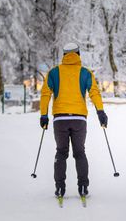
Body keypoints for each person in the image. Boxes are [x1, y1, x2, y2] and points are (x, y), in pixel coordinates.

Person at [39, 42, 108, 198]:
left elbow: (45, 94)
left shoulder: (53, 73)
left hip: (60, 119)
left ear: (64, 55)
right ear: (78, 54)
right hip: (79, 119)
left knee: (61, 153)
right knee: (80, 153)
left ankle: (59, 188)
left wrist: (44, 115)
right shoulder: (85, 73)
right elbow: (94, 93)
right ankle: (83, 187)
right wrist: (100, 112)